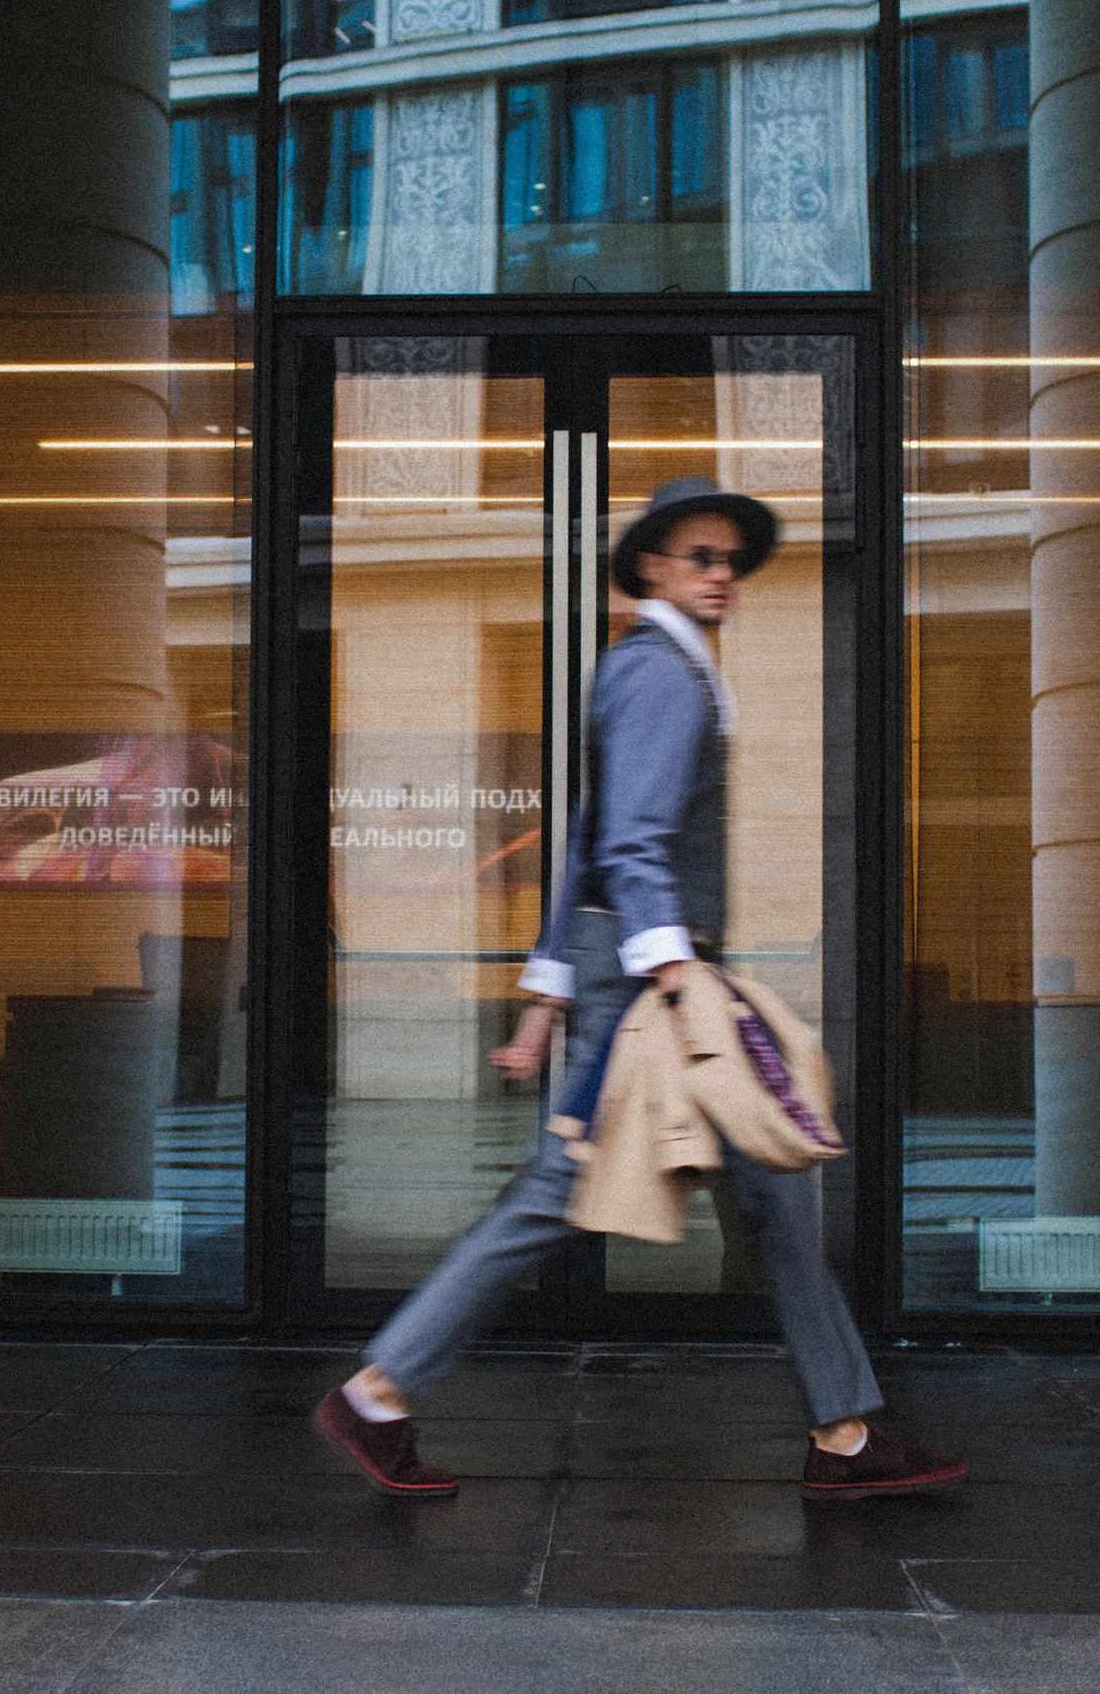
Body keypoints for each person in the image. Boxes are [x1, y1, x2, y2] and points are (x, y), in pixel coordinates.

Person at [312, 476, 967, 1503]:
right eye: (700, 557)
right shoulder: (661, 672)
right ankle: (377, 1394)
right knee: (557, 1196)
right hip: (653, 988)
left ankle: (844, 1434)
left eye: (730, 562)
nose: (721, 576)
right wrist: (671, 976)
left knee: (774, 1191)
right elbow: (627, 843)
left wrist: (543, 995)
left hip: (645, 977)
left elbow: (582, 843)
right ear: (653, 565)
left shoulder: (656, 668)